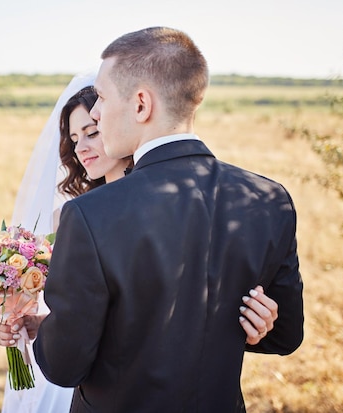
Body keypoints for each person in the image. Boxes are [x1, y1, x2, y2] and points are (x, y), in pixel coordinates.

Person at [30, 27, 304, 412]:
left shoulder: (91, 214)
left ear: (141, 104)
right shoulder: (269, 198)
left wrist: (43, 330)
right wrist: (261, 327)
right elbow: (286, 335)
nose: (94, 111)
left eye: (103, 98)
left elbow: (62, 365)